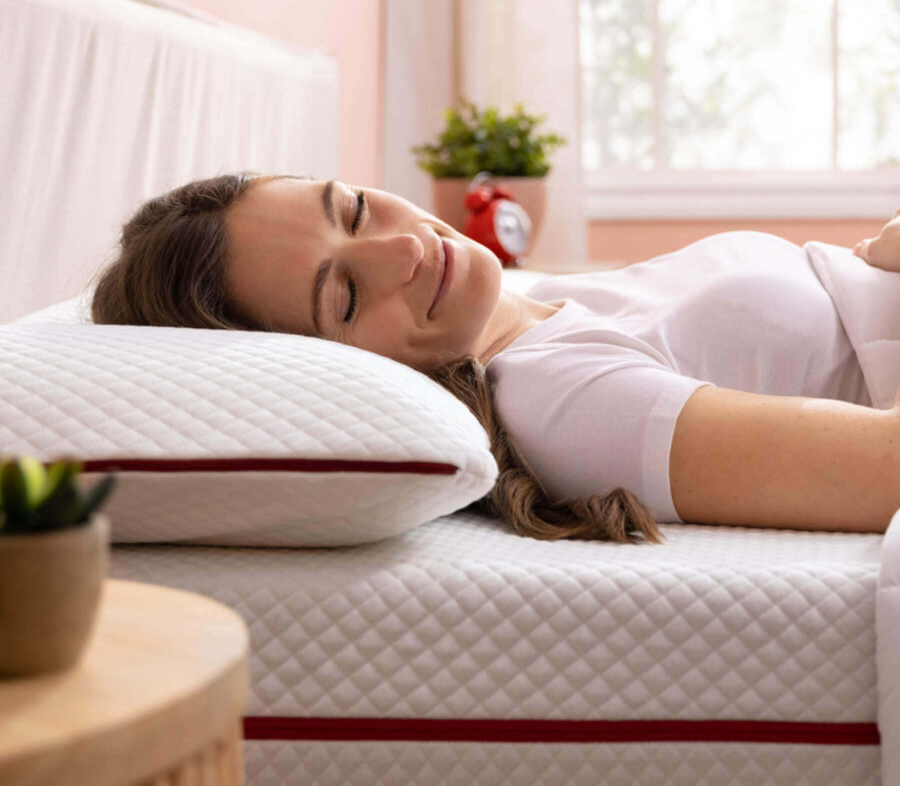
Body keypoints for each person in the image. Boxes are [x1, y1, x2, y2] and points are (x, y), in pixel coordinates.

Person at [89, 172, 900, 545]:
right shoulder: (569, 404)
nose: (403, 245)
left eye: (356, 209)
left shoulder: (543, 302)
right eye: (344, 298)